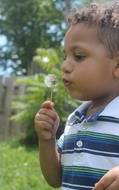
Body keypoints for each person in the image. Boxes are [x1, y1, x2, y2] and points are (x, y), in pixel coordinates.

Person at [34, 1, 119, 190]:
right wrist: (47, 140)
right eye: (65, 56)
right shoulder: (76, 119)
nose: (65, 65)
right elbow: (56, 179)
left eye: (79, 56)